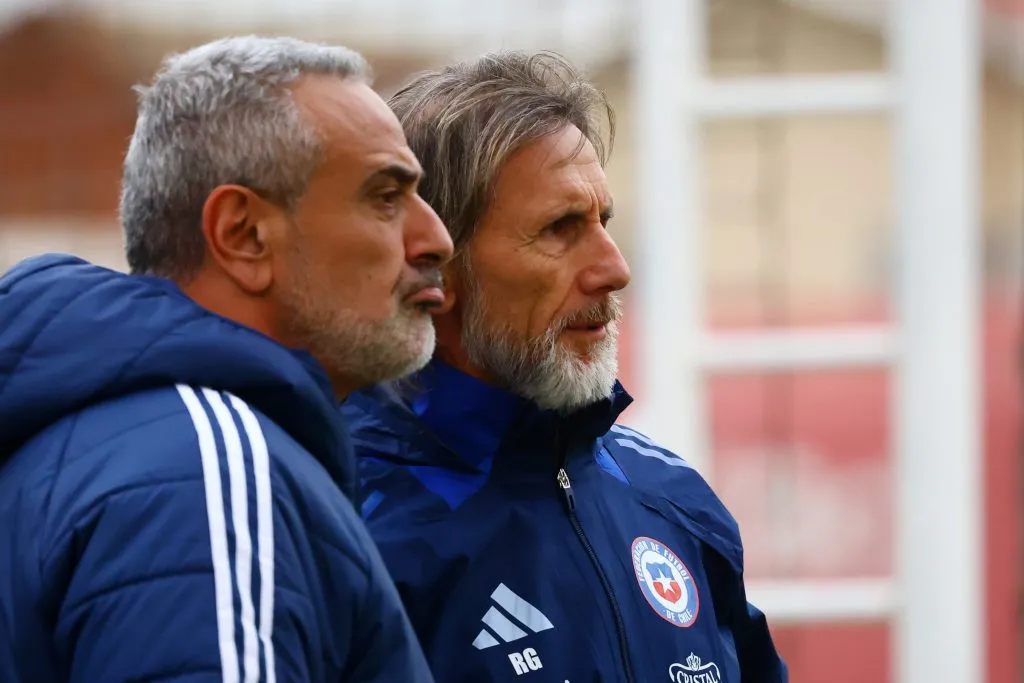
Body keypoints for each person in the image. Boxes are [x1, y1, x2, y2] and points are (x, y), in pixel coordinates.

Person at [0, 36, 453, 683]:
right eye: (386, 196)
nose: (435, 238)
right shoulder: (210, 471)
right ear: (244, 234)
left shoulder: (100, 441)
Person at [343, 51, 789, 682]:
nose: (614, 269)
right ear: (433, 264)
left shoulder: (671, 498)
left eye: (603, 222)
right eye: (559, 228)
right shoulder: (342, 525)